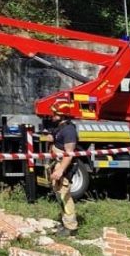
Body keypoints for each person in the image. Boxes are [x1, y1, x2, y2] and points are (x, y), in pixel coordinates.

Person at [47, 101, 80, 237]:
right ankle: (65, 221)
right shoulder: (60, 128)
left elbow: (69, 153)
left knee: (64, 194)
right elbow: (55, 139)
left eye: (55, 114)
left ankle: (71, 227)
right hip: (57, 163)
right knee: (58, 194)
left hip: (64, 167)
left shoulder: (69, 131)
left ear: (62, 115)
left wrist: (60, 170)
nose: (52, 116)